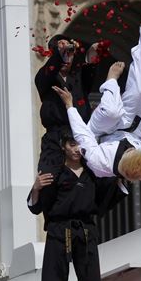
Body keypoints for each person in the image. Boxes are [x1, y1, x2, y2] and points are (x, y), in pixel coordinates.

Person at [54, 14, 141, 182]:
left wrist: (69, 106)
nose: (128, 148)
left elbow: (83, 136)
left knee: (112, 112)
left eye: (126, 152)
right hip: (131, 125)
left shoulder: (101, 164)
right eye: (133, 150)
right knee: (140, 90)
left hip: (102, 129)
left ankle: (111, 80)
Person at [27, 129, 128, 281]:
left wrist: (122, 177)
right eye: (72, 144)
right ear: (63, 146)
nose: (76, 149)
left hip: (86, 231)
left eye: (80, 144)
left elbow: (105, 197)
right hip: (58, 231)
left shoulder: (94, 173)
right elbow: (37, 207)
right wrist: (36, 188)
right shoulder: (55, 174)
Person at [35, 34, 106, 175]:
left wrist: (93, 50)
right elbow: (51, 68)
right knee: (49, 178)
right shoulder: (45, 77)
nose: (67, 58)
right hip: (56, 138)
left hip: (80, 135)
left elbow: (90, 66)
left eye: (70, 53)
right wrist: (60, 53)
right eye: (63, 54)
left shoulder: (79, 77)